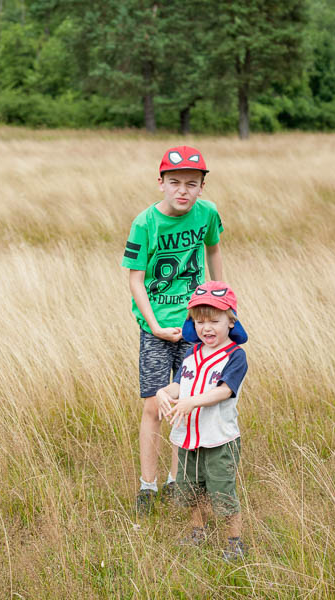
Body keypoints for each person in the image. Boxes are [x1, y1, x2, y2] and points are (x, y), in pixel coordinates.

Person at [121, 146, 246, 515]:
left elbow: (214, 252)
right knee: (154, 406)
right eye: (174, 182)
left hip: (198, 326)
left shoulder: (207, 214)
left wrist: (223, 302)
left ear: (202, 186)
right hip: (157, 327)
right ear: (160, 183)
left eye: (192, 184)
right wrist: (156, 326)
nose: (183, 191)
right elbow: (136, 280)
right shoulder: (145, 223)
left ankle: (180, 481)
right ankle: (148, 485)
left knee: (188, 402)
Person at [157, 281, 249, 561]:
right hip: (188, 437)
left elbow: (224, 390)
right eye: (199, 321)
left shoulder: (235, 356)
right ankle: (197, 531)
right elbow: (179, 385)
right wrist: (165, 391)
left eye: (215, 320)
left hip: (218, 437)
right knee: (191, 489)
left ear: (231, 321)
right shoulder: (191, 353)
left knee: (222, 491)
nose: (206, 328)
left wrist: (190, 402)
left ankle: (234, 541)